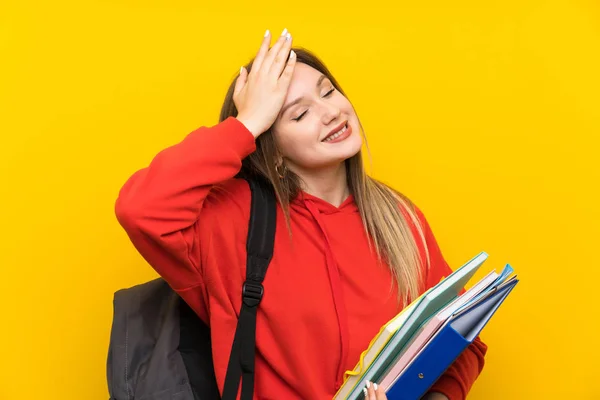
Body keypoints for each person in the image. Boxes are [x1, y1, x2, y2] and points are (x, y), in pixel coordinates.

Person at [115, 28, 487, 400]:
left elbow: (461, 338)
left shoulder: (398, 218)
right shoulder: (231, 222)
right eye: (300, 114)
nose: (331, 113)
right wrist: (245, 125)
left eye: (328, 91)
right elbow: (142, 209)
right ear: (271, 149)